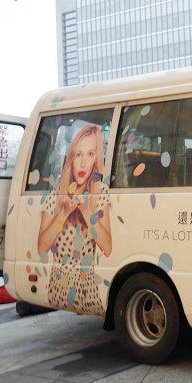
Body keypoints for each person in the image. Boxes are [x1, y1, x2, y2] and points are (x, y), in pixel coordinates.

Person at [36, 125, 112, 313]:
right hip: (58, 288)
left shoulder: (100, 192)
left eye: (90, 154)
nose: (83, 164)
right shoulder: (55, 195)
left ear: (96, 159)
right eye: (78, 155)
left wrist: (87, 211)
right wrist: (63, 213)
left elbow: (108, 247)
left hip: (89, 292)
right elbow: (41, 247)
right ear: (71, 158)